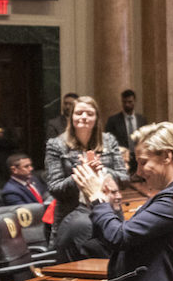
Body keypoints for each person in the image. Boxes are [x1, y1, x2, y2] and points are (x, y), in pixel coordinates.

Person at [71, 121, 173, 281]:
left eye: (143, 162)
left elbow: (120, 237)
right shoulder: (168, 194)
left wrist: (98, 199)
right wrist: (103, 198)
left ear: (167, 156)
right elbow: (117, 238)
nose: (138, 172)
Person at [44, 95, 130, 230]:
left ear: (96, 119)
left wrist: (103, 171)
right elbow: (55, 189)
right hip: (71, 218)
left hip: (108, 215)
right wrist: (83, 174)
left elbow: (124, 180)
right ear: (71, 117)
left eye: (90, 114)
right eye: (78, 113)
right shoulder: (56, 145)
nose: (84, 117)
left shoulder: (109, 141)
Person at [51, 170, 123, 263]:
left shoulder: (83, 215)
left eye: (118, 191)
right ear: (94, 193)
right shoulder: (88, 224)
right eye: (113, 192)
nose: (119, 196)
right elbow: (107, 261)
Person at [104, 89, 146, 155]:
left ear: (134, 101)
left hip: (139, 155)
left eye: (130, 102)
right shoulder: (113, 121)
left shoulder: (142, 120)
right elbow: (108, 140)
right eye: (124, 102)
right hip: (122, 156)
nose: (127, 105)